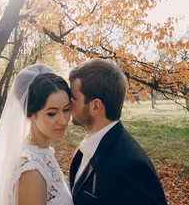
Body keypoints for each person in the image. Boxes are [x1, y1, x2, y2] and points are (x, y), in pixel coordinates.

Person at [68, 58, 168, 205]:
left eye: (73, 98)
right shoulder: (87, 146)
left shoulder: (131, 167)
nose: (68, 105)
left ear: (95, 106)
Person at [0, 64, 74, 205]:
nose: (64, 120)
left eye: (66, 109)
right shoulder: (31, 169)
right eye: (52, 113)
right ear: (30, 114)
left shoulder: (42, 151)